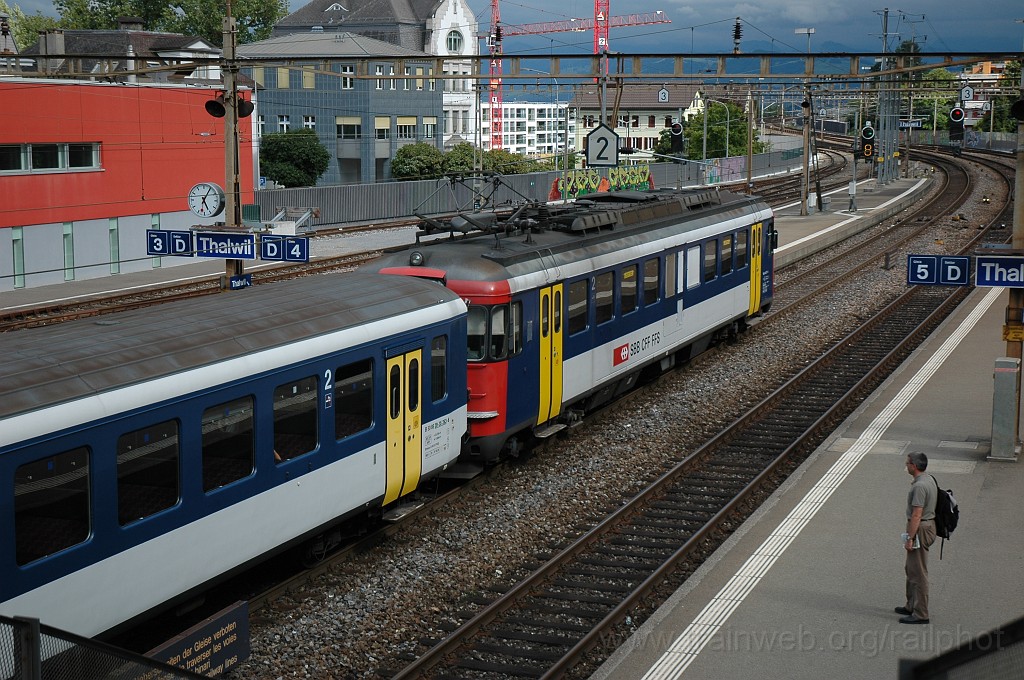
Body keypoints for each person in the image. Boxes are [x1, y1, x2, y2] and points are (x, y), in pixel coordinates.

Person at [896, 451, 937, 624]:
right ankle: (911, 605)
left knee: (919, 572)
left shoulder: (919, 487)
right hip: (925, 526)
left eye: (907, 463)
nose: (906, 466)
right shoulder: (929, 479)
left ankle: (921, 614)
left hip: (920, 529)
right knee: (911, 568)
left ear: (914, 465)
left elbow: (916, 515)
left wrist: (910, 538)